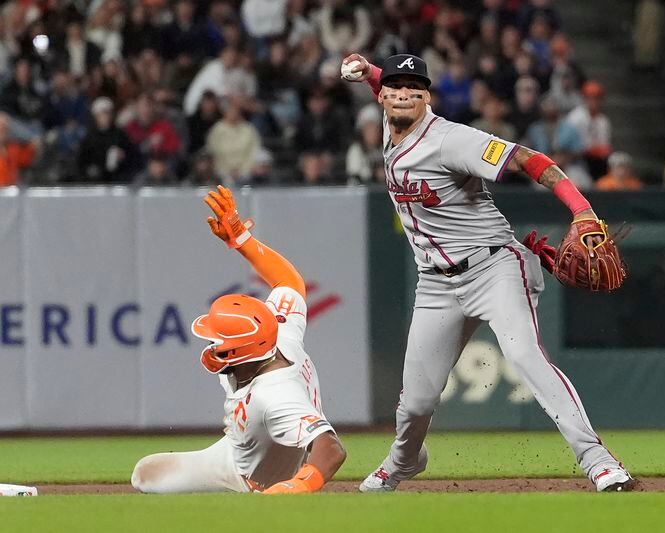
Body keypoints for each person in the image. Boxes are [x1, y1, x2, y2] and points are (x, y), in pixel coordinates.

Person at [341, 53, 635, 493]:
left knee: (525, 357)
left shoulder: (451, 140)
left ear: (427, 97)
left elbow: (530, 160)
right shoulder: (392, 118)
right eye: (395, 88)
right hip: (436, 283)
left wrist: (583, 210)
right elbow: (392, 91)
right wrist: (370, 74)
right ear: (382, 96)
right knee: (416, 401)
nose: (404, 94)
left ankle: (598, 461)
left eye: (415, 88)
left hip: (494, 267)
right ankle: (402, 462)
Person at [131, 185, 347, 494]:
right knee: (144, 474)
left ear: (241, 352)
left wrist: (296, 488)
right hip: (238, 450)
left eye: (218, 340)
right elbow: (290, 282)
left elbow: (332, 449)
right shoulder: (277, 331)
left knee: (148, 478)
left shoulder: (276, 393)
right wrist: (241, 239)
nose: (212, 344)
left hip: (256, 479)